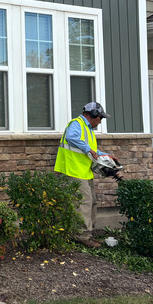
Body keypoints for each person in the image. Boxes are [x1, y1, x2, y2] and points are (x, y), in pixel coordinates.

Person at [54, 102, 112, 248]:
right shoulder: (76, 124)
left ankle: (88, 233)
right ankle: (82, 236)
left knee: (91, 202)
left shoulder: (88, 129)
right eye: (100, 118)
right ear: (92, 115)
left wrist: (106, 156)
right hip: (73, 170)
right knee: (83, 203)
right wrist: (89, 149)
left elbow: (92, 150)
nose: (100, 121)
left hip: (84, 171)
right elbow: (70, 137)